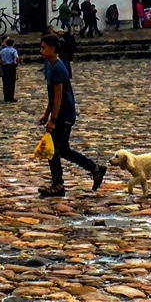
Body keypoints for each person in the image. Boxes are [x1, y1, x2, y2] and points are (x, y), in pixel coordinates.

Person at [36, 33, 103, 199]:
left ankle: (58, 184)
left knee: (53, 150)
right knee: (64, 150)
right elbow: (52, 96)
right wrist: (46, 113)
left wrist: (53, 120)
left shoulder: (58, 68)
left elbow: (59, 97)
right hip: (62, 113)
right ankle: (95, 168)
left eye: (44, 48)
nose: (41, 51)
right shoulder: (51, 66)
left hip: (64, 114)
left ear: (53, 48)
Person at [0, 38, 20, 102]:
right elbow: (17, 57)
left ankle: (6, 97)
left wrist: (1, 63)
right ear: (13, 44)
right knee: (12, 82)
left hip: (5, 66)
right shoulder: (14, 50)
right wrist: (16, 63)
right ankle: (11, 97)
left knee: (5, 82)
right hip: (11, 66)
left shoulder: (3, 50)